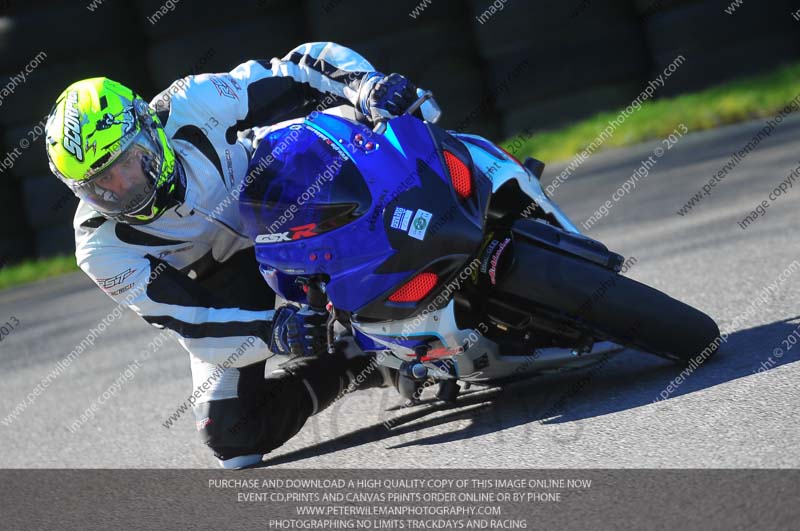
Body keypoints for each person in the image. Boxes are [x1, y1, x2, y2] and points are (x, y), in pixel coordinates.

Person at [43, 42, 416, 469]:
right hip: (224, 280)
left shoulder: (190, 102)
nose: (123, 187)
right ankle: (359, 362)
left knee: (369, 118)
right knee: (231, 434)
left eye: (128, 162)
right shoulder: (99, 247)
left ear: (149, 130)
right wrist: (274, 331)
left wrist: (365, 86)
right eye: (100, 184)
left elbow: (294, 68)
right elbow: (190, 322)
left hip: (290, 200)